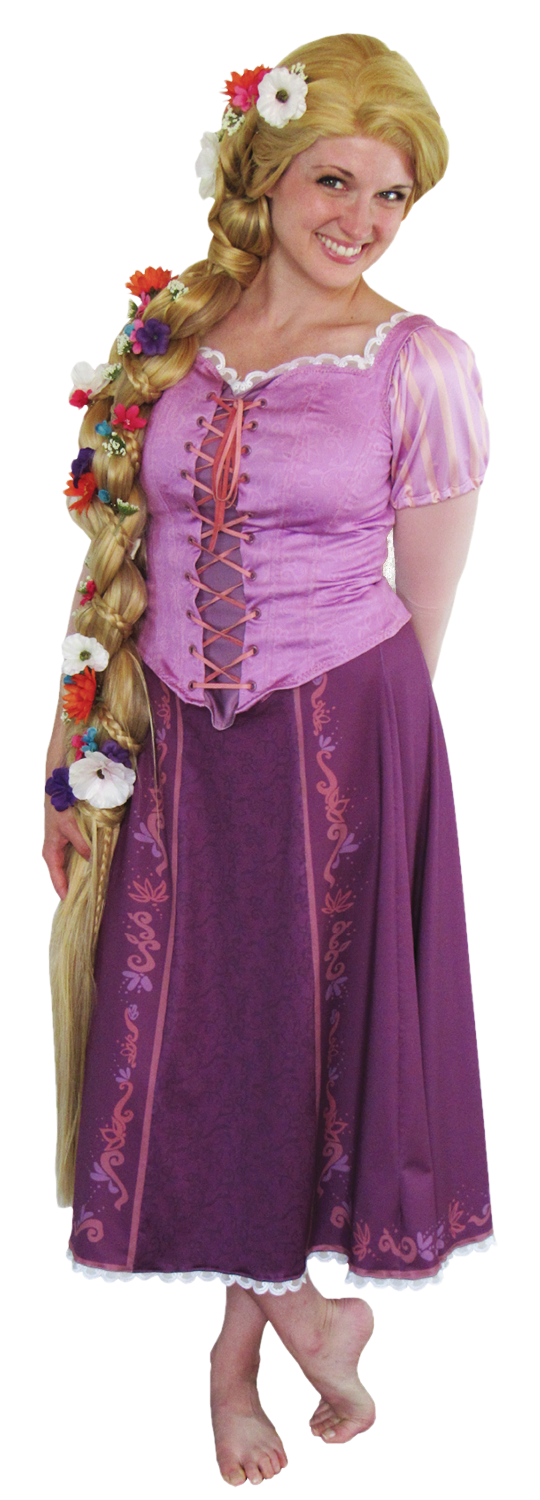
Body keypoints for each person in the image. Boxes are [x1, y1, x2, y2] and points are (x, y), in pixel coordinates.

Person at [43, 33, 493, 1487]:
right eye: (335, 180)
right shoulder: (168, 338)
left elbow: (423, 605)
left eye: (393, 194)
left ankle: (241, 1357)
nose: (362, 219)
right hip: (171, 730)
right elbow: (116, 560)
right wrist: (70, 746)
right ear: (269, 169)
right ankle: (308, 1316)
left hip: (343, 731)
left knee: (297, 1043)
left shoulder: (420, 365)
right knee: (204, 1038)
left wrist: (368, 784)